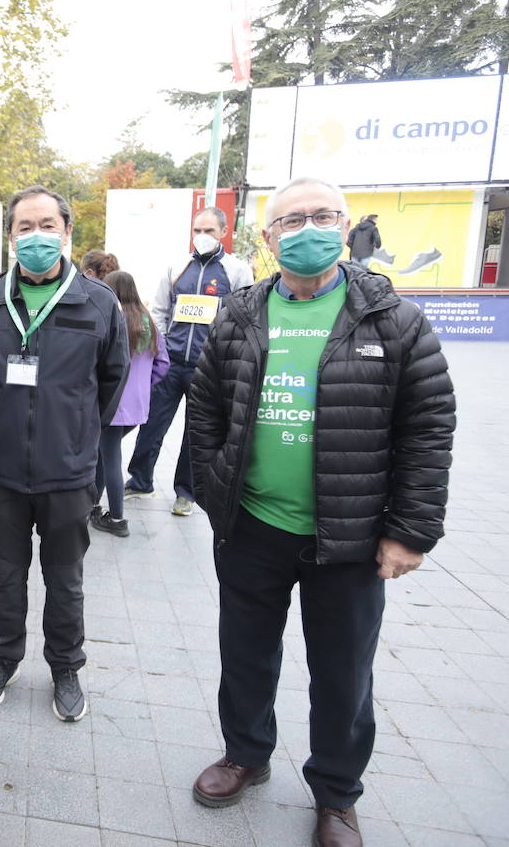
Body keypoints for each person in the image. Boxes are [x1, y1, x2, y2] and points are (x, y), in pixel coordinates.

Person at [186, 177, 455, 847]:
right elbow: (207, 407)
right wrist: (215, 485)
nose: (306, 229)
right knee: (245, 655)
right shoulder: (241, 314)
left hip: (351, 539)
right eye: (290, 220)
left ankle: (336, 796)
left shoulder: (390, 319)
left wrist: (409, 530)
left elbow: (428, 426)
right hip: (253, 528)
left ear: (344, 226)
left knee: (342, 672)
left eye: (321, 216)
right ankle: (245, 754)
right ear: (269, 238)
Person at [0, 185, 127, 722]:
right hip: (1, 475)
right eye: (25, 228)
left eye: (47, 226)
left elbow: (111, 381)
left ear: (67, 232)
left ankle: (65, 668)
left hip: (68, 475)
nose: (37, 237)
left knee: (66, 579)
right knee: (6, 576)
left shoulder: (98, 302)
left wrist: (74, 434)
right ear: (10, 237)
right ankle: (2, 659)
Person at [124, 208, 252, 517]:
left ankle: (186, 493)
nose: (201, 236)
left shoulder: (236, 270)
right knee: (152, 423)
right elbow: (159, 310)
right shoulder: (177, 267)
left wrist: (222, 354)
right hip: (172, 363)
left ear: (223, 232)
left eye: (208, 230)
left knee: (196, 432)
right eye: (196, 230)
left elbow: (244, 315)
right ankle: (140, 480)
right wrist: (163, 347)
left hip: (207, 367)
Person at [91, 270, 169, 538]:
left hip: (110, 404)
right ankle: (92, 505)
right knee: (105, 453)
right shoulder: (149, 321)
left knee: (110, 458)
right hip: (137, 407)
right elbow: (163, 365)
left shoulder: (112, 319)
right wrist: (142, 387)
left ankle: (116, 519)